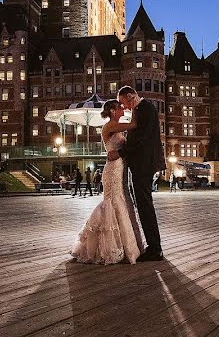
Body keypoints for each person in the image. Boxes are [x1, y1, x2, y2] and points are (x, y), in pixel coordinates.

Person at [70, 99, 144, 265]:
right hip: (113, 169)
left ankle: (125, 246)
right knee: (113, 202)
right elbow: (133, 124)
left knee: (120, 201)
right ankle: (109, 246)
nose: (123, 109)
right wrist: (136, 106)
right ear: (112, 111)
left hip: (120, 168)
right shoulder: (109, 126)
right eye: (120, 108)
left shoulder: (115, 127)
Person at [109, 85, 167, 262]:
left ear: (130, 96)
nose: (123, 106)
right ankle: (153, 246)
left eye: (122, 102)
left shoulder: (145, 109)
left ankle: (155, 249)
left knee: (145, 205)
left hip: (144, 165)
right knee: (142, 204)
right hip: (141, 165)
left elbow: (140, 139)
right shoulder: (142, 109)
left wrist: (120, 153)